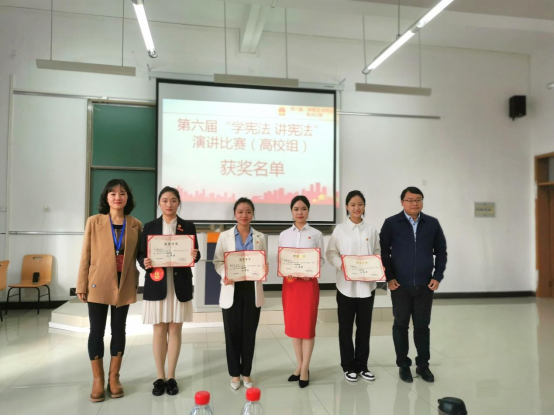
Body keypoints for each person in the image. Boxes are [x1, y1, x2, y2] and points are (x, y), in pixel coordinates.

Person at [76, 179, 142, 403]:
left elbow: (140, 255)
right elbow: (85, 255)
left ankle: (114, 377)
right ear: (106, 197)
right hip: (98, 283)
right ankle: (98, 379)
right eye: (113, 193)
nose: (117, 197)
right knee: (96, 331)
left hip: (124, 284)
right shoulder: (94, 222)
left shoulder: (135, 224)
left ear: (127, 198)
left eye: (122, 193)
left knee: (119, 330)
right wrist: (81, 284)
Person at [380, 187, 447, 384]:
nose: (414, 203)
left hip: (425, 285)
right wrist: (389, 278)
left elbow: (441, 252)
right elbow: (383, 252)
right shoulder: (391, 223)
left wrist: (437, 276)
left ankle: (423, 365)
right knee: (400, 325)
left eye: (418, 199)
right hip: (400, 285)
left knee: (422, 326)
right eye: (409, 200)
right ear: (402, 202)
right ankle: (403, 365)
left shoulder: (432, 223)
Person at [138, 186, 200, 396]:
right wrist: (145, 262)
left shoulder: (188, 226)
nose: (169, 204)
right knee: (158, 330)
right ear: (159, 203)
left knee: (175, 330)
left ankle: (171, 376)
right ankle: (159, 377)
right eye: (165, 200)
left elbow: (196, 254)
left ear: (179, 203)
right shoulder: (150, 226)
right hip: (157, 283)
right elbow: (140, 254)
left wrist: (195, 255)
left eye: (173, 200)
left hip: (179, 284)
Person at [213, 198, 269, 390]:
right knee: (232, 334)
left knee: (249, 333)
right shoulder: (224, 236)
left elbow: (263, 262)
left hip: (252, 289)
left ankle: (246, 372)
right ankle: (235, 374)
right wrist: (225, 274)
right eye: (240, 212)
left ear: (253, 214)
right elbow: (218, 262)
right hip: (232, 289)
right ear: (234, 214)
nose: (244, 215)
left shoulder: (260, 237)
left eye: (248, 212)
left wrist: (264, 268)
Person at [326, 190, 380, 383]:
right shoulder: (340, 230)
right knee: (346, 328)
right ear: (347, 207)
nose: (357, 208)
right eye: (353, 204)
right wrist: (343, 266)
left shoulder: (371, 230)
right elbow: (331, 253)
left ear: (364, 206)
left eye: (360, 204)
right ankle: (348, 366)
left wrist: (375, 265)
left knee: (364, 328)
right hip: (345, 287)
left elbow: (377, 252)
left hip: (367, 288)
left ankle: (362, 366)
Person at [279, 196, 325, 388]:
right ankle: (298, 366)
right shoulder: (284, 234)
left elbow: (321, 260)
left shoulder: (316, 234)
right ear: (291, 211)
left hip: (308, 285)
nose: (300, 212)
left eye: (304, 208)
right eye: (296, 209)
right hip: (291, 285)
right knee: (294, 327)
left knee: (307, 328)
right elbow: (282, 259)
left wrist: (311, 271)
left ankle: (305, 368)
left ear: (308, 211)